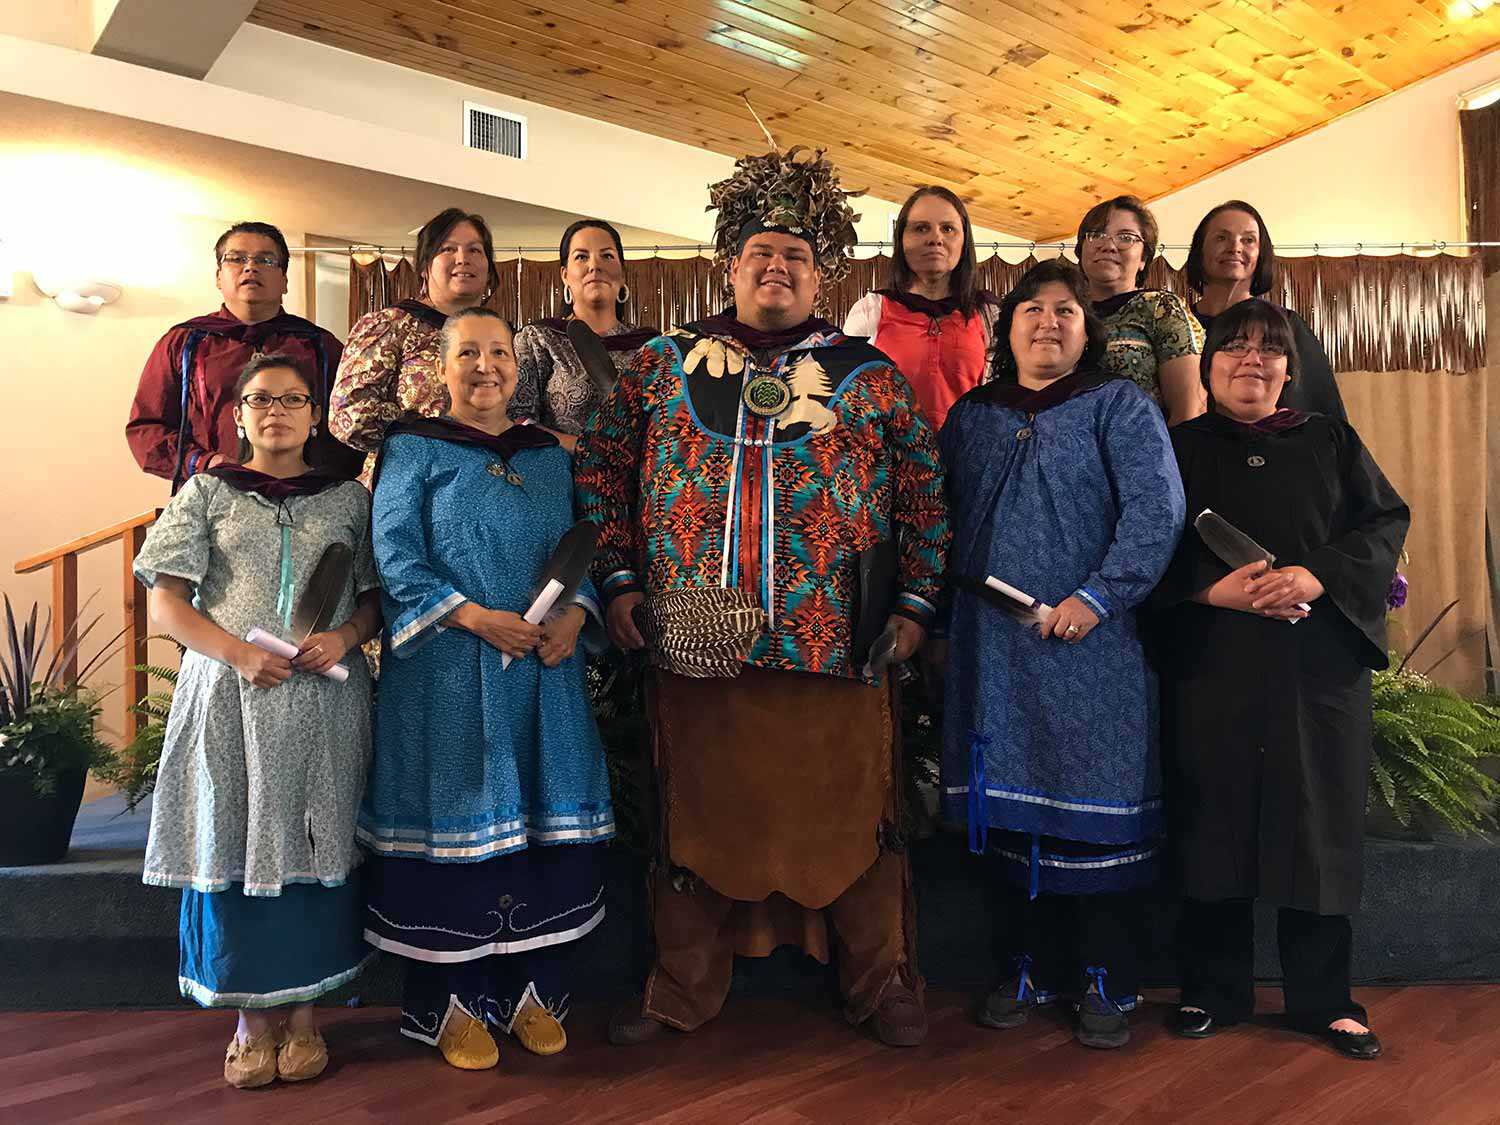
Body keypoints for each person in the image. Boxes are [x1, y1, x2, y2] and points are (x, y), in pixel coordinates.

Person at [576, 147, 950, 1049]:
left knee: (855, 815)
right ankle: (684, 983)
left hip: (838, 641)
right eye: (758, 254)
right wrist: (621, 581)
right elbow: (602, 474)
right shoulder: (660, 366)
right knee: (698, 817)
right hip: (698, 640)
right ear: (729, 266)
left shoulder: (868, 374)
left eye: (794, 255)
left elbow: (923, 495)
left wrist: (912, 606)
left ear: (821, 274)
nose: (775, 267)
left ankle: (878, 977)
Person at [359, 307, 614, 1071]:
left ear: (518, 365)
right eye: (466, 352)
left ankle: (534, 991)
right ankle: (451, 1005)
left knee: (538, 824)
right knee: (458, 830)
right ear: (441, 367)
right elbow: (393, 554)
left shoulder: (547, 455)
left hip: (540, 671)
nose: (484, 366)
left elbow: (580, 550)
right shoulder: (412, 447)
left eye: (498, 351)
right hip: (446, 671)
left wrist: (576, 613)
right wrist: (474, 616)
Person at [939, 259, 1185, 1049]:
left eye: (1066, 311)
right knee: (1009, 814)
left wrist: (1097, 596)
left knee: (1096, 818)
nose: (1049, 322)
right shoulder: (974, 415)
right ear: (1007, 329)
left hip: (1097, 646)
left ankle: (1106, 976)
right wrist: (937, 626)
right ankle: (1024, 965)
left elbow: (1157, 511)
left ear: (1089, 331)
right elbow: (936, 519)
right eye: (1033, 310)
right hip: (992, 650)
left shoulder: (1120, 406)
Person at [1154, 299, 1408, 1060]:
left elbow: (1384, 523)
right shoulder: (1176, 447)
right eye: (1234, 349)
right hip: (1214, 666)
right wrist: (1208, 591)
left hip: (1316, 669)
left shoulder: (1329, 439)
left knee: (1317, 828)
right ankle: (1212, 987)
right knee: (1213, 821)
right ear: (1208, 365)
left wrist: (1316, 574)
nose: (1251, 362)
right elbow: (1146, 541)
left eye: (1269, 351)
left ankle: (1327, 999)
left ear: (1291, 369)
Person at [132, 353, 382, 1088]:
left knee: (317, 833)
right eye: (260, 399)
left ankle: (306, 1015)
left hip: (322, 697)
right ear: (237, 414)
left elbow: (370, 598)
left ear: (314, 414)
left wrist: (345, 636)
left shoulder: (347, 499)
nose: (276, 410)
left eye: (293, 398)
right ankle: (249, 1019)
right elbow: (166, 601)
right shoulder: (207, 492)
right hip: (230, 696)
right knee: (233, 836)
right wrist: (237, 652)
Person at [127, 221, 361, 488]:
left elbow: (350, 429)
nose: (251, 266)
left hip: (304, 499)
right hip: (213, 494)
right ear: (218, 276)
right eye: (236, 258)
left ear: (284, 280)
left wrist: (319, 478)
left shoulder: (321, 346)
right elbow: (146, 429)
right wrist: (204, 463)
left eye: (266, 260)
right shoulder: (183, 343)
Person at [329, 208, 501, 481]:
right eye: (448, 249)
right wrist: (429, 430)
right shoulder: (391, 324)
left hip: (484, 480)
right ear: (424, 267)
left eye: (475, 250)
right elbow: (349, 415)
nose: (462, 259)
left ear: (489, 269)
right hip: (408, 483)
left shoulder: (501, 336)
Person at [842, 186, 1000, 431]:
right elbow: (849, 401)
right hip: (893, 462)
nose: (935, 238)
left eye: (948, 228)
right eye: (921, 228)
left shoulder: (988, 314)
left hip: (968, 461)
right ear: (902, 239)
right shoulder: (870, 311)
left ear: (964, 240)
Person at [1186, 200, 1347, 420]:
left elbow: (1321, 414)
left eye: (1248, 240)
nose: (1235, 247)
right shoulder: (1176, 324)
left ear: (1261, 254)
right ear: (1200, 250)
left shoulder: (1287, 325)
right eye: (1221, 237)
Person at [510, 219, 657, 448]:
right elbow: (517, 420)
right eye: (581, 256)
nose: (594, 265)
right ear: (565, 275)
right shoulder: (538, 339)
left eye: (607, 256)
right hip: (558, 477)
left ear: (622, 273)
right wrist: (589, 450)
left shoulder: (651, 345)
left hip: (635, 479)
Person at [1075, 195, 1205, 426]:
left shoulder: (1161, 307)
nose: (1108, 245)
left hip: (1145, 454)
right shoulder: (1064, 311)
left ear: (1144, 257)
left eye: (1126, 237)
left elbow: (1189, 411)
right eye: (1096, 234)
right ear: (1082, 248)